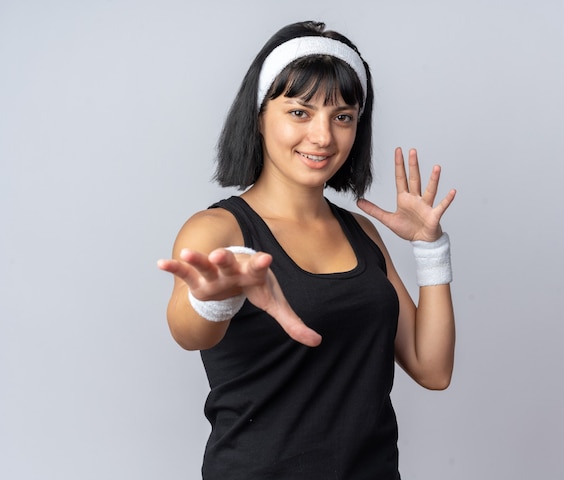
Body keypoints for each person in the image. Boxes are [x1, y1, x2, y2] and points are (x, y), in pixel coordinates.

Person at [157, 20, 456, 479]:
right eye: (300, 112)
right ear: (259, 115)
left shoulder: (362, 233)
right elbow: (188, 333)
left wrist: (431, 250)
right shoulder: (217, 230)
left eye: (342, 117)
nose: (322, 136)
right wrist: (215, 296)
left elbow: (432, 369)